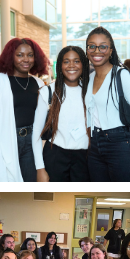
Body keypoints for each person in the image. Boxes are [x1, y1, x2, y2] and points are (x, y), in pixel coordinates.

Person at [85, 26, 130, 182]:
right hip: (94, 145)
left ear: (111, 50)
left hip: (120, 144)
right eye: (92, 46)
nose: (97, 50)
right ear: (87, 49)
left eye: (103, 46)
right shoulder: (89, 78)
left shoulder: (123, 75)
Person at [0, 38, 49, 182]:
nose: (26, 59)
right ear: (10, 56)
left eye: (30, 55)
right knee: (5, 182)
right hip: (6, 142)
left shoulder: (37, 83)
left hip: (31, 144)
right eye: (20, 55)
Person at [32, 46, 90, 182]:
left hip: (85, 158)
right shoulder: (48, 92)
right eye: (66, 61)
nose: (71, 65)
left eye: (76, 61)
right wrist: (40, 168)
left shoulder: (90, 91)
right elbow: (36, 131)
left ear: (83, 64)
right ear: (60, 65)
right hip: (55, 155)